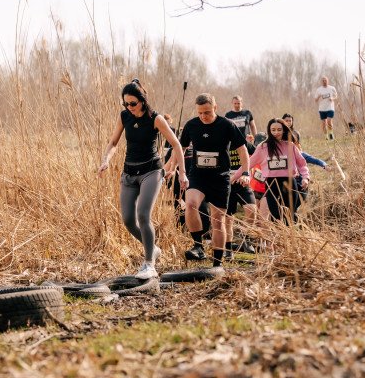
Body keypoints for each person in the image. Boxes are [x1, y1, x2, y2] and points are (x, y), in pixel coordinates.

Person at [98, 80, 188, 279]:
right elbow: (113, 142)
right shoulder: (124, 117)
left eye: (133, 103)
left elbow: (176, 145)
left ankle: (149, 264)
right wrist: (106, 159)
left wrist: (182, 173)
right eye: (126, 104)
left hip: (151, 172)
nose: (129, 108)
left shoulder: (155, 119)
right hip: (129, 173)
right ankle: (152, 248)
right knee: (128, 220)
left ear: (142, 101)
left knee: (143, 214)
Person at [179, 93, 250, 266]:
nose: (204, 116)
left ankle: (217, 264)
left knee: (218, 221)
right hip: (198, 176)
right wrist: (178, 170)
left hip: (220, 178)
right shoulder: (191, 125)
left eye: (208, 112)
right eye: (200, 113)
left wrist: (246, 172)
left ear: (215, 108)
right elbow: (180, 149)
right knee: (190, 204)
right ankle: (198, 246)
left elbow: (242, 151)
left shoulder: (227, 125)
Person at [245, 119, 310, 223]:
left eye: (279, 129)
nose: (276, 133)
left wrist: (306, 177)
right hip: (270, 185)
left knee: (289, 217)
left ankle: (290, 235)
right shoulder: (262, 148)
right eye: (273, 130)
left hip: (289, 183)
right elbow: (246, 165)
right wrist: (236, 176)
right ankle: (276, 235)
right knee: (275, 217)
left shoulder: (291, 146)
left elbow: (303, 164)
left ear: (284, 130)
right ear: (269, 131)